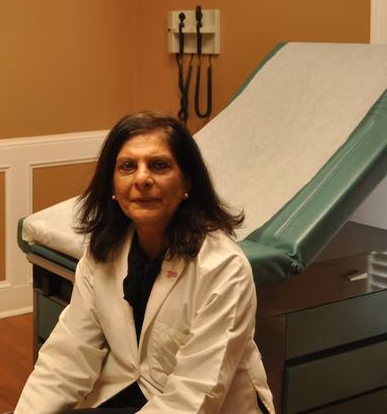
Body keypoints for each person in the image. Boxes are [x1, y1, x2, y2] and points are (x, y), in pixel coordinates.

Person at [15, 112, 274, 413]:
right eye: (127, 167)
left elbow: (195, 397)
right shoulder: (102, 255)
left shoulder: (223, 268)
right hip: (129, 393)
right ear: (112, 186)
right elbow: (68, 357)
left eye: (159, 165)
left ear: (186, 183)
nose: (142, 179)